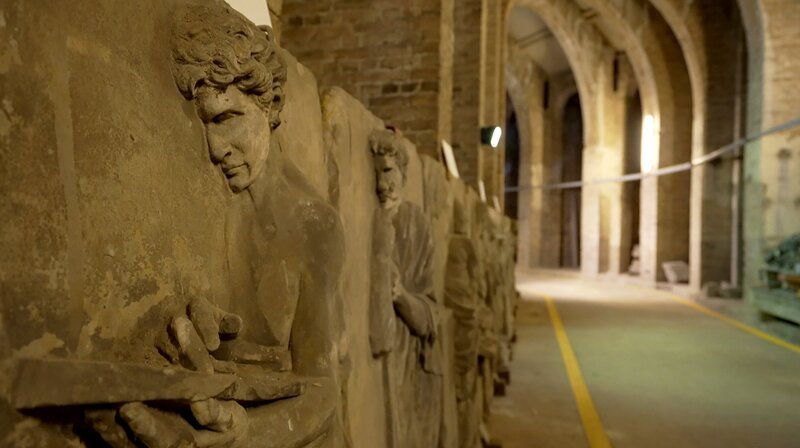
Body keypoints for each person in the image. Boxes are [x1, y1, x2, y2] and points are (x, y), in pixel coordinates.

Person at [93, 2, 347, 447]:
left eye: (228, 118)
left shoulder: (313, 225)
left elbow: (323, 392)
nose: (215, 147)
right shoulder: (207, 200)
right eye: (205, 123)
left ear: (267, 106)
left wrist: (249, 434)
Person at [369, 129, 442, 447]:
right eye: (376, 173)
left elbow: (430, 316)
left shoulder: (417, 223)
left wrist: (400, 296)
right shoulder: (368, 221)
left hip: (409, 358)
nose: (382, 184)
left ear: (403, 172)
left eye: (388, 171)